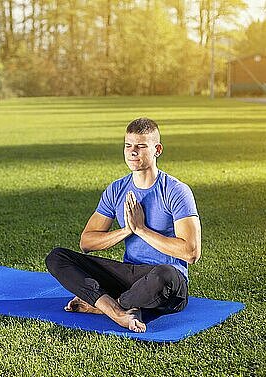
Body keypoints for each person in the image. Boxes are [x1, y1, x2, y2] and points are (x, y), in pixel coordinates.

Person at [45, 118, 201, 333]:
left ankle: (100, 306)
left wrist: (141, 230)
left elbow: (191, 253)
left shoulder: (176, 191)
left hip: (165, 280)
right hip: (129, 276)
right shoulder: (116, 189)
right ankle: (119, 310)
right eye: (128, 145)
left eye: (140, 146)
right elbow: (86, 242)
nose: (132, 152)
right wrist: (127, 230)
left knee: (165, 275)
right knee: (58, 257)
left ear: (157, 149)